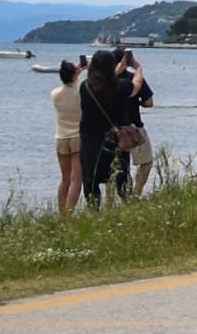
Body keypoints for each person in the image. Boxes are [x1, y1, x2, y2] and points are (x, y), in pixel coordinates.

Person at [79, 48, 143, 209]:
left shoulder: (85, 87)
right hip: (114, 140)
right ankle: (128, 206)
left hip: (89, 141)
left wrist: (114, 72)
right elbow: (136, 85)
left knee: (91, 180)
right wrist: (138, 68)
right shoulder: (121, 86)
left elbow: (101, 85)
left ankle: (93, 211)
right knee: (121, 175)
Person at [111, 47, 156, 198]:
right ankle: (136, 193)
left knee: (114, 168)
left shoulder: (105, 82)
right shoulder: (135, 78)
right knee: (146, 162)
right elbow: (149, 102)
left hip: (113, 129)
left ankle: (109, 202)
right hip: (135, 127)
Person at [51, 58, 85, 214]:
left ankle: (62, 213)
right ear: (74, 75)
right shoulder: (81, 92)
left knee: (65, 178)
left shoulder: (55, 94)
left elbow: (70, 84)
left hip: (61, 137)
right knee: (76, 179)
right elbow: (82, 88)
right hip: (77, 136)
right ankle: (70, 212)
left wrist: (75, 73)